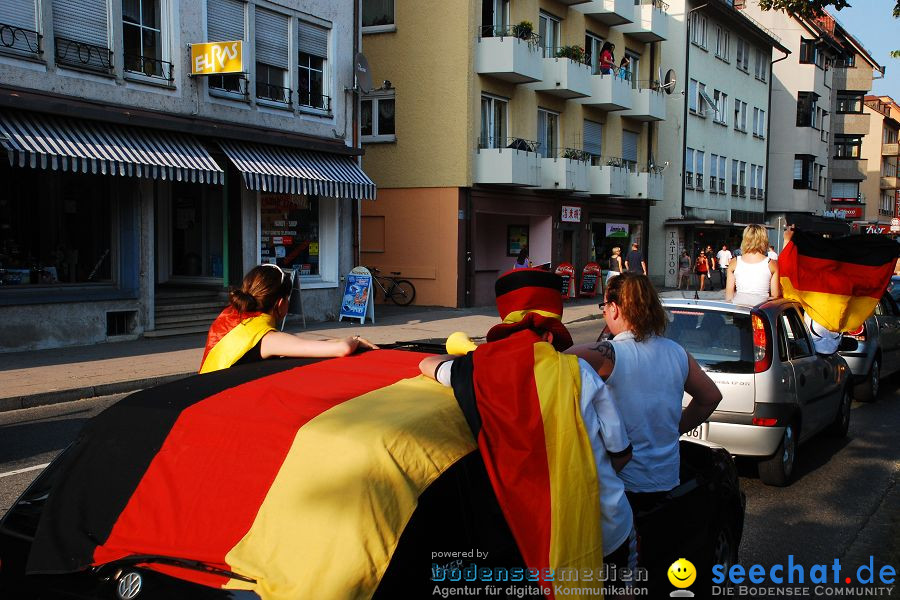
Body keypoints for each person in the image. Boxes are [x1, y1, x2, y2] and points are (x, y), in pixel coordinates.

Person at [418, 268, 638, 576]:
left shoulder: (476, 374)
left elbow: (427, 363)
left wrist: (474, 359)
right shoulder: (581, 373)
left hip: (533, 537)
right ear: (549, 336)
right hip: (604, 524)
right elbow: (621, 452)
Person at [566, 273, 721, 584]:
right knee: (658, 571)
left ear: (615, 308)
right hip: (665, 482)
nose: (603, 312)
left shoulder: (610, 355)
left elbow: (556, 361)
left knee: (623, 577)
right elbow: (710, 397)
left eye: (604, 305)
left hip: (623, 488)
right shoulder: (676, 352)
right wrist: (674, 429)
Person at [199, 264, 377, 373]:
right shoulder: (265, 338)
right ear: (281, 303)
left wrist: (335, 339)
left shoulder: (231, 318)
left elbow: (298, 346)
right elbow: (343, 349)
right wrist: (355, 340)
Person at [726, 224, 780, 307]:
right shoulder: (771, 263)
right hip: (760, 311)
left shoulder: (735, 262)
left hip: (739, 310)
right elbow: (775, 296)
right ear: (764, 240)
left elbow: (729, 296)